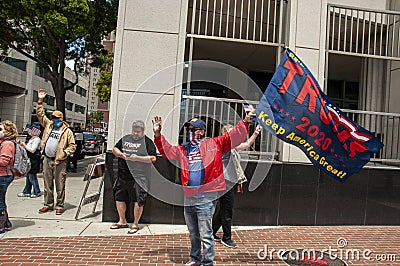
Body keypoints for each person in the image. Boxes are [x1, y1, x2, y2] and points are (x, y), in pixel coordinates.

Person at [152, 112, 253, 266]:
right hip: (189, 196)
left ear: (202, 131)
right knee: (193, 233)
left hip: (206, 196)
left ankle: (208, 262)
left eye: (195, 129)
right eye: (189, 129)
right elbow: (167, 151)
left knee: (206, 233)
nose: (191, 132)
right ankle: (195, 259)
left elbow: (233, 137)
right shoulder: (183, 149)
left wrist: (245, 121)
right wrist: (158, 135)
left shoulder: (214, 144)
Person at [212, 124, 262, 248]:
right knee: (227, 210)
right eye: (230, 132)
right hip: (225, 181)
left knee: (224, 208)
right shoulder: (223, 146)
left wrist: (256, 133)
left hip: (231, 181)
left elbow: (247, 144)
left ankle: (211, 232)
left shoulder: (233, 147)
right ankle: (227, 238)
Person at [111, 120, 156, 234]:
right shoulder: (126, 139)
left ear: (143, 131)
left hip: (139, 176)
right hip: (123, 174)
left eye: (138, 132)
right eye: (134, 131)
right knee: (119, 197)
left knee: (138, 199)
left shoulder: (147, 142)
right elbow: (114, 149)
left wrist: (138, 158)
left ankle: (135, 224)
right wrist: (121, 155)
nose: (135, 134)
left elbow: (153, 158)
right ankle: (122, 221)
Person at [36, 88, 76, 215]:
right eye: (53, 117)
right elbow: (40, 115)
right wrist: (40, 101)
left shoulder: (67, 131)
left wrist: (65, 153)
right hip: (47, 158)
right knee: (47, 184)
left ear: (61, 119)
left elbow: (72, 146)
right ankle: (48, 204)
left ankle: (60, 205)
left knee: (60, 184)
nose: (54, 120)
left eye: (57, 118)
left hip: (60, 161)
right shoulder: (49, 125)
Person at [0, 120, 18, 233]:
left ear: (7, 131)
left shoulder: (7, 144)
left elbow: (3, 161)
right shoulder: (3, 142)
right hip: (3, 174)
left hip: (3, 175)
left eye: (0, 129)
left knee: (0, 201)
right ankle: (6, 222)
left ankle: (1, 224)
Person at [17, 123, 43, 198]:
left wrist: (24, 145)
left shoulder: (37, 139)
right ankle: (26, 191)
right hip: (29, 159)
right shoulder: (32, 139)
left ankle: (37, 191)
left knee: (32, 176)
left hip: (34, 160)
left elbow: (32, 150)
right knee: (28, 176)